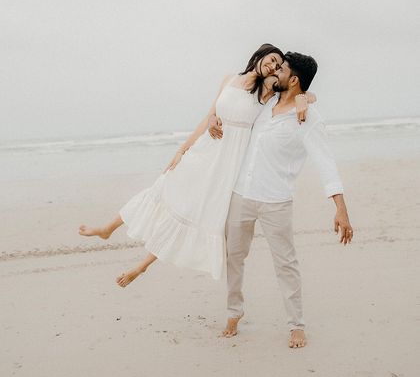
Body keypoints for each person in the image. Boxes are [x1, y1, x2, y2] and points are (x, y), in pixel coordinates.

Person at [78, 44, 316, 284]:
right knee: (163, 189)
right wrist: (182, 150)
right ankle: (108, 228)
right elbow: (209, 116)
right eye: (272, 59)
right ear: (261, 54)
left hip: (228, 164)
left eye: (277, 65)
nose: (273, 66)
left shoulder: (268, 89)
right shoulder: (229, 79)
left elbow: (304, 93)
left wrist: (303, 100)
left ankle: (141, 267)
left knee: (195, 213)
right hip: (205, 151)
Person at [217, 52, 353, 349]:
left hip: (276, 201)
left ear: (294, 80)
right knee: (234, 258)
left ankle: (297, 325)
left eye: (281, 69)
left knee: (285, 264)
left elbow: (326, 163)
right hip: (241, 194)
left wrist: (340, 208)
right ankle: (233, 313)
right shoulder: (264, 104)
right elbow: (234, 109)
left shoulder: (309, 119)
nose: (274, 71)